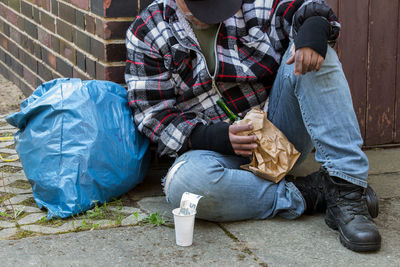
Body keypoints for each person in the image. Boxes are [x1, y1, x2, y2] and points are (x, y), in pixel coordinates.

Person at [125, 0, 381, 252]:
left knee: (312, 51)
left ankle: (348, 190)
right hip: (216, 151)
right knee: (184, 187)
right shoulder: (149, 30)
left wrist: (313, 29)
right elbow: (152, 115)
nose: (215, 14)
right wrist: (214, 137)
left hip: (279, 135)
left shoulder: (254, 3)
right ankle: (314, 193)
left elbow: (306, 6)